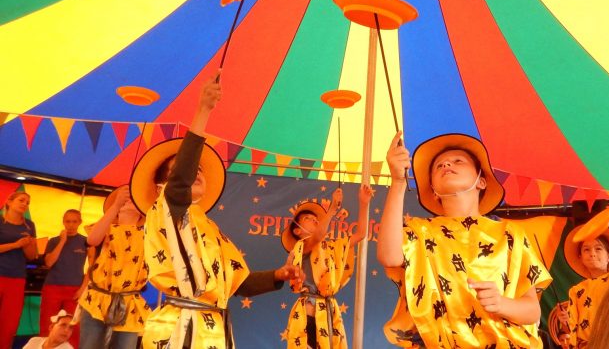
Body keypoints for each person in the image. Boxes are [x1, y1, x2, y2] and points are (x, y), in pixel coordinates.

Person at [130, 71, 304, 349]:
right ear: (163, 185)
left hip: (211, 329)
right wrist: (203, 111)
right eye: (188, 170)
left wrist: (278, 275)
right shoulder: (165, 208)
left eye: (200, 169)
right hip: (179, 329)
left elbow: (237, 283)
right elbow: (179, 184)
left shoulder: (208, 228)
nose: (195, 172)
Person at [377, 132, 552, 348]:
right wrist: (398, 182)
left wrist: (501, 303)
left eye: (458, 161)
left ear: (481, 181)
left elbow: (532, 311)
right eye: (438, 166)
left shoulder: (510, 234)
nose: (446, 164)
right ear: (434, 191)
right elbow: (389, 257)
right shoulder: (420, 231)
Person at [281, 185, 371, 349]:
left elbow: (361, 234)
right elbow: (317, 236)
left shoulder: (331, 247)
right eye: (307, 218)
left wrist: (364, 203)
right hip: (307, 318)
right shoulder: (302, 247)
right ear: (297, 231)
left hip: (329, 314)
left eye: (316, 218)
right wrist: (332, 209)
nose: (315, 219)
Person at [556, 208, 609, 348]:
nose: (592, 253)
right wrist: (564, 321)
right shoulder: (576, 291)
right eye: (586, 249)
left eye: (598, 249)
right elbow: (572, 331)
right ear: (580, 257)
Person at [77, 185, 151, 349]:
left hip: (129, 303)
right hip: (97, 299)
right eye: (126, 199)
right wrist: (116, 205)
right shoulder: (106, 228)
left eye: (134, 199)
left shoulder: (147, 234)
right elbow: (92, 240)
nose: (129, 200)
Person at [40, 209, 95, 348]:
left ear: (80, 222)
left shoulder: (86, 242)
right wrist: (62, 241)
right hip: (52, 287)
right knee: (48, 324)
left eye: (74, 221)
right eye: (68, 221)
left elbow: (92, 267)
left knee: (73, 326)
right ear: (63, 222)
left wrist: (83, 288)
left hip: (74, 289)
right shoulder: (54, 241)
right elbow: (49, 263)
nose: (70, 225)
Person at [0, 192, 37, 349]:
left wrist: (28, 245)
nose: (25, 204)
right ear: (9, 201)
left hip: (17, 278)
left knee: (9, 322)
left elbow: (32, 256)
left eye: (27, 202)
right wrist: (15, 245)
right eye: (21, 200)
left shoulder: (29, 225)